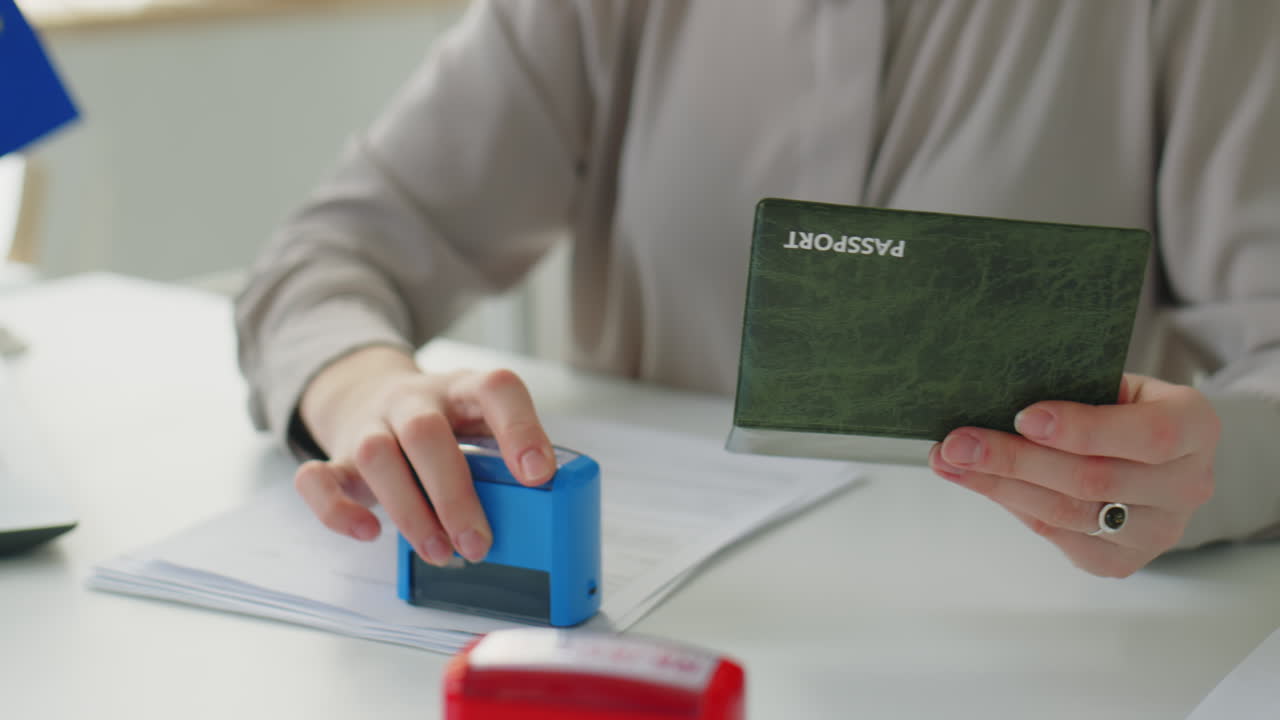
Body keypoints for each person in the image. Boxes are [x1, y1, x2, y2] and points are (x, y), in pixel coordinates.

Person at [235, 0, 1280, 579]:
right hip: (644, 626)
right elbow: (329, 255)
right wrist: (360, 388)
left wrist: (1193, 476)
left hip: (1054, 645)